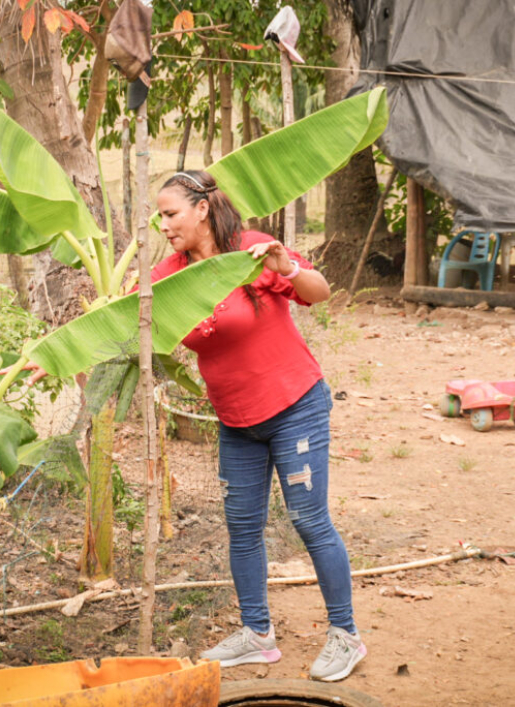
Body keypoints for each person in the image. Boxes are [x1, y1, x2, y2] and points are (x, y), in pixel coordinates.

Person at [153, 170, 365, 682]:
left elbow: (319, 291)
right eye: (158, 217)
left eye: (170, 213)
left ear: (201, 210)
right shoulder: (168, 276)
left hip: (295, 407)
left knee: (309, 521)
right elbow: (122, 326)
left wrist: (287, 266)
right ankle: (257, 635)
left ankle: (345, 636)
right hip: (236, 421)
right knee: (243, 529)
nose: (163, 225)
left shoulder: (249, 251)